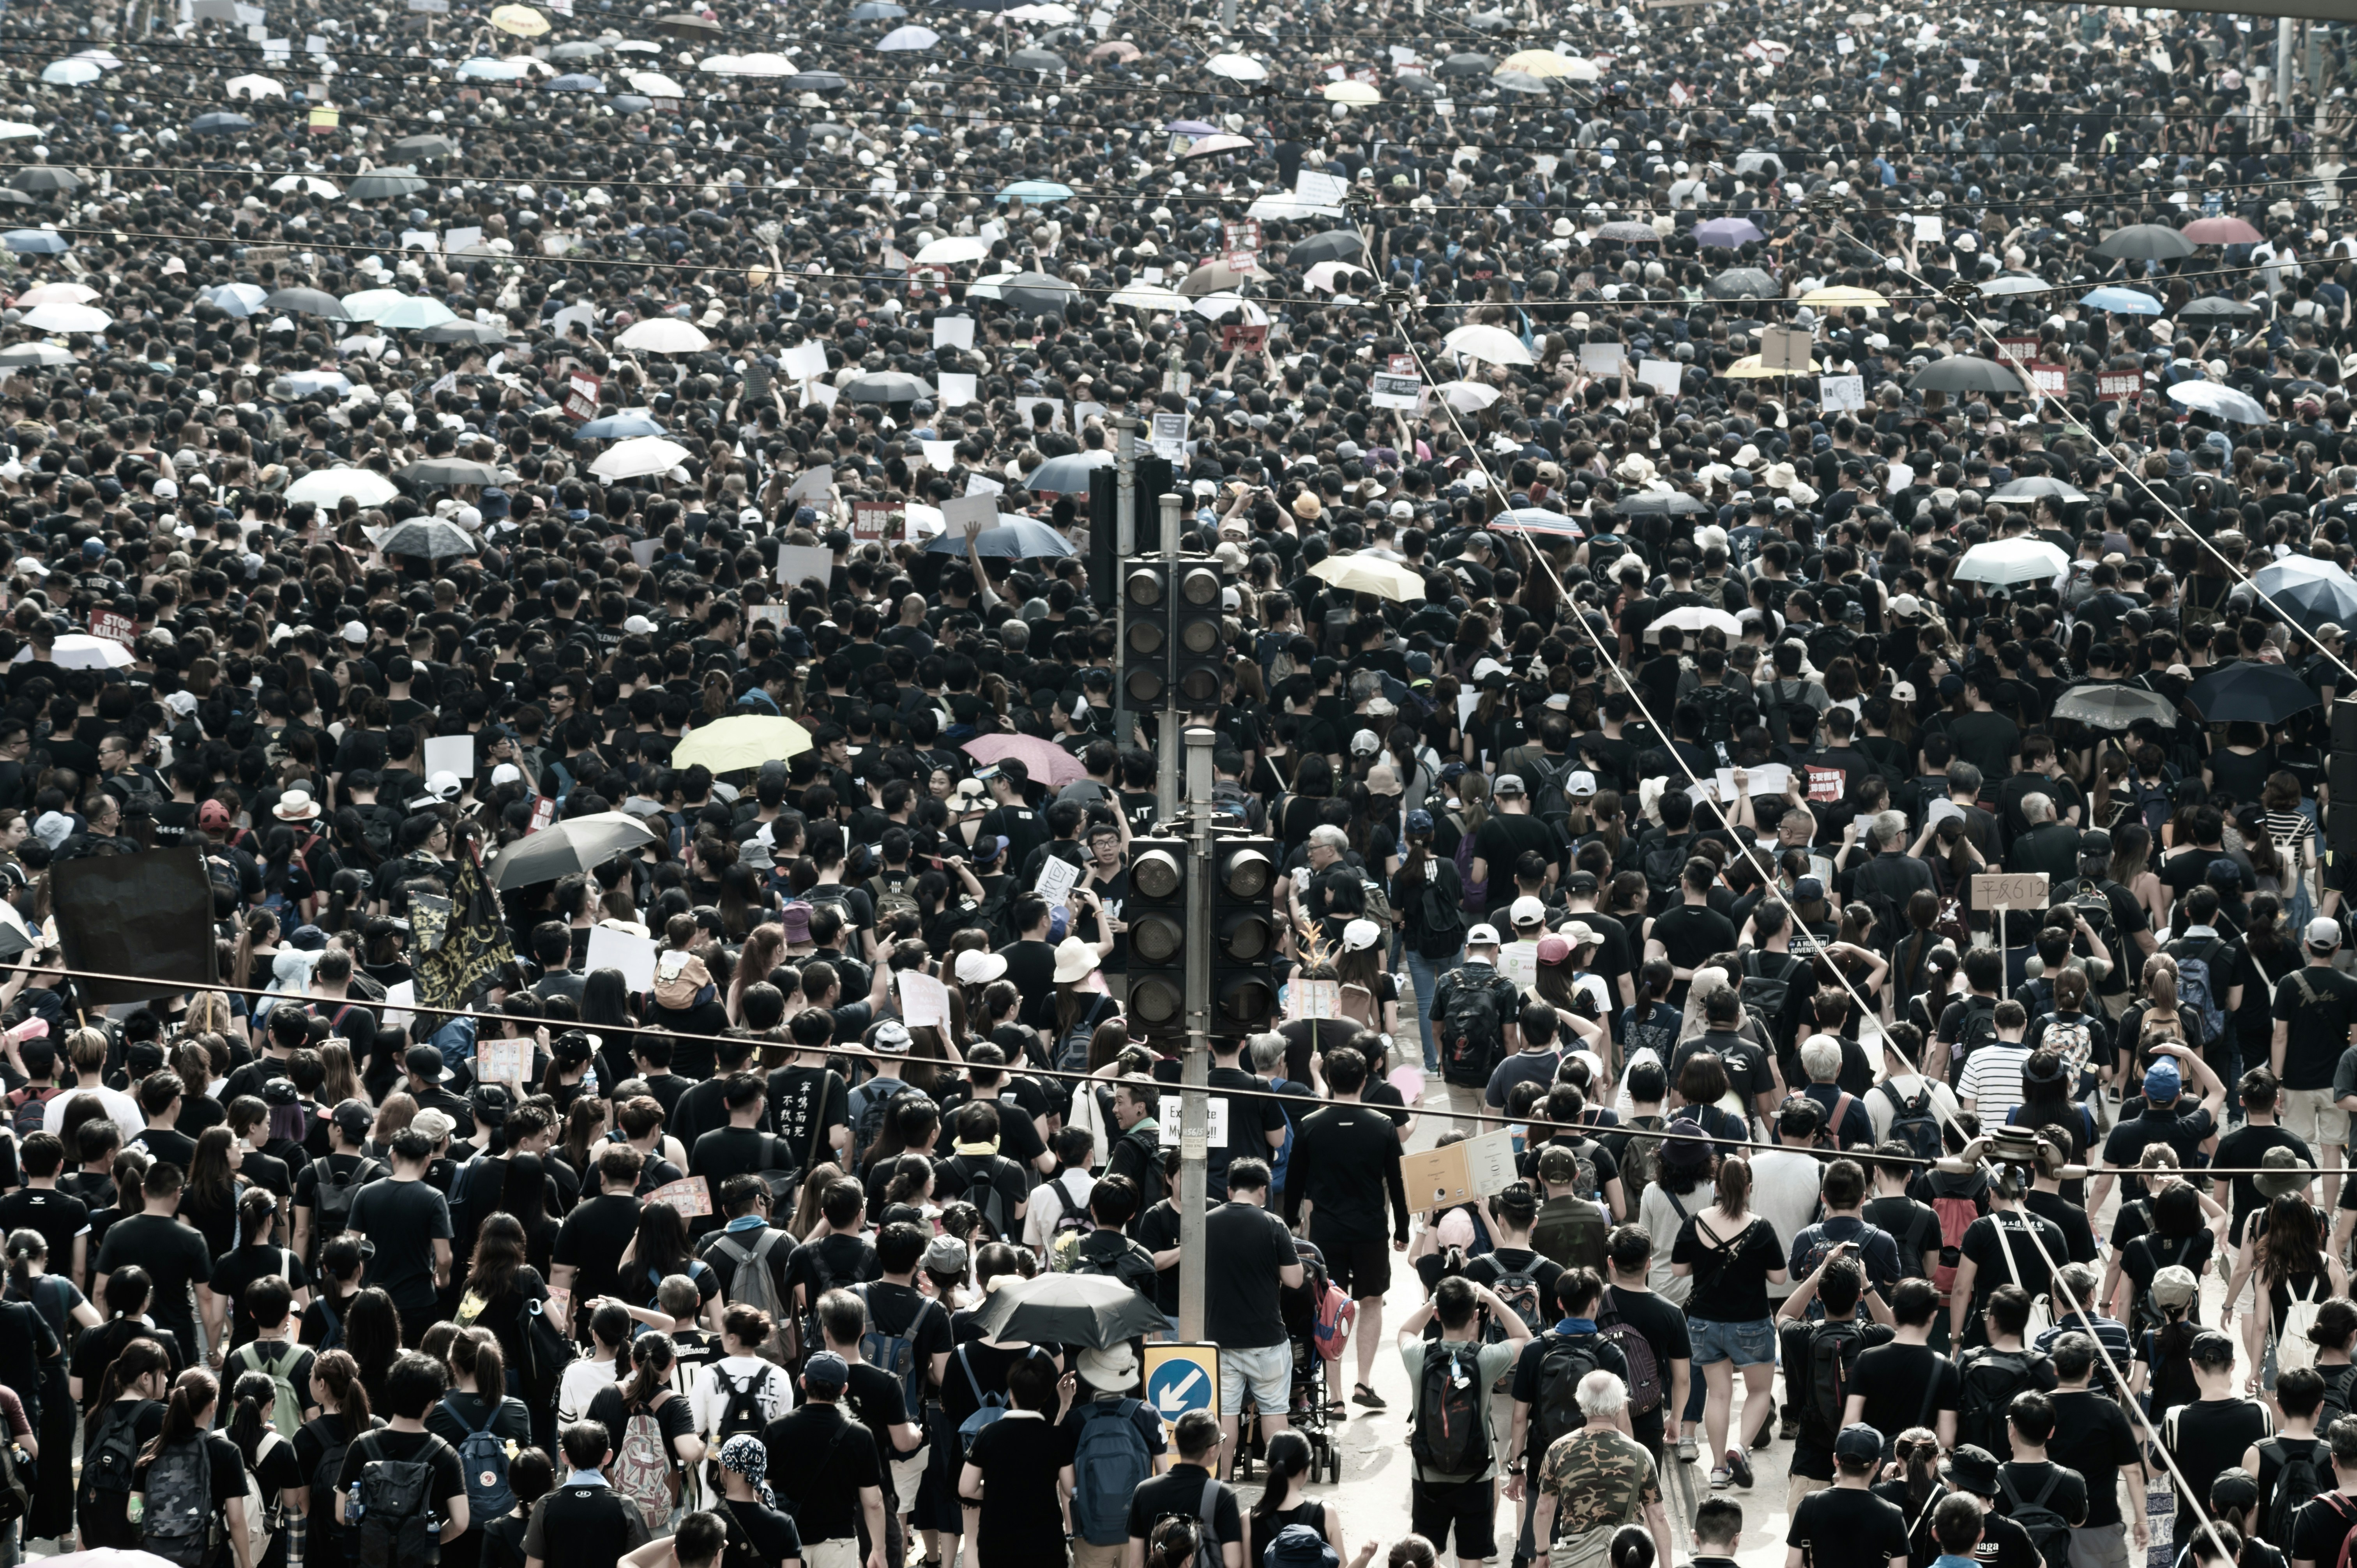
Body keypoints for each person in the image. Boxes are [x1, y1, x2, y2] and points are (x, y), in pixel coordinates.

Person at [1281, 1047, 1410, 1412]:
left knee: (1328, 1308)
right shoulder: (1383, 1125)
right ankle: (1364, 1382)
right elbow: (1398, 1183)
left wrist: (1291, 1222)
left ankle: (1334, 1396)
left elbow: (1295, 1182)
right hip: (1370, 1229)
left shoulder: (1311, 1125)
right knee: (1370, 1302)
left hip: (1326, 1232)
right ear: (1365, 1081)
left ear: (1330, 1081)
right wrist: (1402, 1227)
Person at [1399, 1273, 1528, 1568]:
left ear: (1436, 1314)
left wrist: (1433, 1301)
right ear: (1474, 1316)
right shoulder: (1485, 1359)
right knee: (1471, 1558)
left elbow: (1406, 1331)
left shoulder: (1420, 1356)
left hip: (1427, 1473)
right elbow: (1523, 1337)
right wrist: (1492, 1298)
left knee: (1426, 1556)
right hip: (1476, 1475)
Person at [1205, 1159, 1305, 1464]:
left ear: (1230, 1189)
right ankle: (1281, 1482)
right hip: (1266, 1338)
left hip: (1219, 1338)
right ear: (1263, 1190)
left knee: (1226, 1413)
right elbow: (1295, 1280)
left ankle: (1223, 1480)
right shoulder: (1273, 1225)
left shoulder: (1206, 1221)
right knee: (1275, 1410)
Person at [1529, 1370, 1673, 1568]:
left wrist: (1542, 1552)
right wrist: (1667, 1565)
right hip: (1626, 1559)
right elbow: (1658, 1516)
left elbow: (1544, 1508)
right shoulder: (1641, 1455)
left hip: (1576, 1558)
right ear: (1620, 1404)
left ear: (1581, 1403)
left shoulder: (1558, 1450)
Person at [758, 1353, 887, 1568]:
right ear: (844, 1389)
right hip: (839, 1542)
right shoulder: (860, 1435)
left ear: (803, 1382)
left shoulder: (777, 1429)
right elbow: (873, 1502)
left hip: (789, 1541)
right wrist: (879, 1550)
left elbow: (762, 1491)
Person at [956, 1351, 1075, 1567]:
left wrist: (997, 1490)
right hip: (1046, 1544)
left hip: (997, 1544)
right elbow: (1069, 1488)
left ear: (1012, 1394)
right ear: (1045, 1397)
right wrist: (1065, 1405)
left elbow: (966, 1489)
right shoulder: (1057, 1438)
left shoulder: (987, 1434)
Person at [133, 1368, 253, 1568]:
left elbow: (134, 1510)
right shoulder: (227, 1451)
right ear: (213, 1406)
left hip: (157, 1557)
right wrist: (248, 1564)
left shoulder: (152, 1448)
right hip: (209, 1557)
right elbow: (236, 1520)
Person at [520, 1421, 654, 1568]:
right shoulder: (625, 1505)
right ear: (608, 1456)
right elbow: (642, 1562)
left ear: (564, 1457)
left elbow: (533, 1565)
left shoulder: (545, 1505)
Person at [1124, 1411, 1244, 1568]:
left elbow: (1136, 1562)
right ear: (1212, 1449)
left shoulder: (1144, 1490)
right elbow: (1233, 1563)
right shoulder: (1223, 1495)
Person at [1784, 1423, 1913, 1568]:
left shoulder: (1809, 1505)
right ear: (1877, 1464)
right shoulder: (1893, 1515)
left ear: (1836, 1460)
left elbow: (1792, 1566)